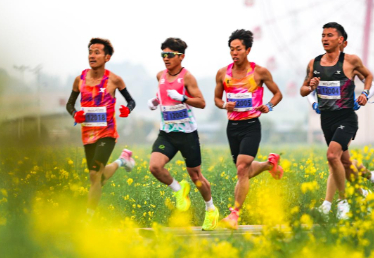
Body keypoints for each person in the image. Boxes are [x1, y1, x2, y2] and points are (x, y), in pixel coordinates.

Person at [299, 22, 374, 219]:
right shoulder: (314, 63)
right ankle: (364, 193)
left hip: (346, 117)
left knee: (332, 156)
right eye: (323, 35)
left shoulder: (351, 61)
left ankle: (342, 203)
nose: (325, 39)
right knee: (344, 163)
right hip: (326, 120)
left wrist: (365, 94)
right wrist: (311, 87)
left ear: (341, 40)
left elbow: (369, 76)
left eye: (330, 35)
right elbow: (302, 90)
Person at [213, 28, 283, 229]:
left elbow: (277, 94)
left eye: (238, 49)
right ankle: (269, 164)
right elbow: (217, 98)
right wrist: (224, 105)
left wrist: (268, 106)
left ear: (248, 50)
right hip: (232, 127)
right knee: (244, 170)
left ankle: (234, 215)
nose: (234, 53)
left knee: (242, 168)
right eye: (231, 49)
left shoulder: (259, 72)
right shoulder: (222, 73)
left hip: (251, 126)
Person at [147, 38, 219, 230]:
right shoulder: (160, 76)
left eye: (170, 55)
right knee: (155, 167)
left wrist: (183, 98)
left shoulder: (187, 78)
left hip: (187, 134)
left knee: (196, 176)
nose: (166, 58)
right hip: (167, 133)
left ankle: (211, 209)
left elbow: (202, 102)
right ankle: (179, 191)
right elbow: (162, 95)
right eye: (163, 55)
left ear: (181, 57)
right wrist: (155, 101)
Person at [66, 38, 136, 215]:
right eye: (90, 52)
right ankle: (122, 160)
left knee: (94, 175)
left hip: (107, 133)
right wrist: (75, 114)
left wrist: (127, 110)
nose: (92, 56)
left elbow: (131, 101)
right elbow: (69, 105)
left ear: (107, 57)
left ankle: (88, 219)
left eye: (97, 52)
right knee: (97, 177)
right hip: (88, 135)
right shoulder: (79, 80)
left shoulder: (114, 80)